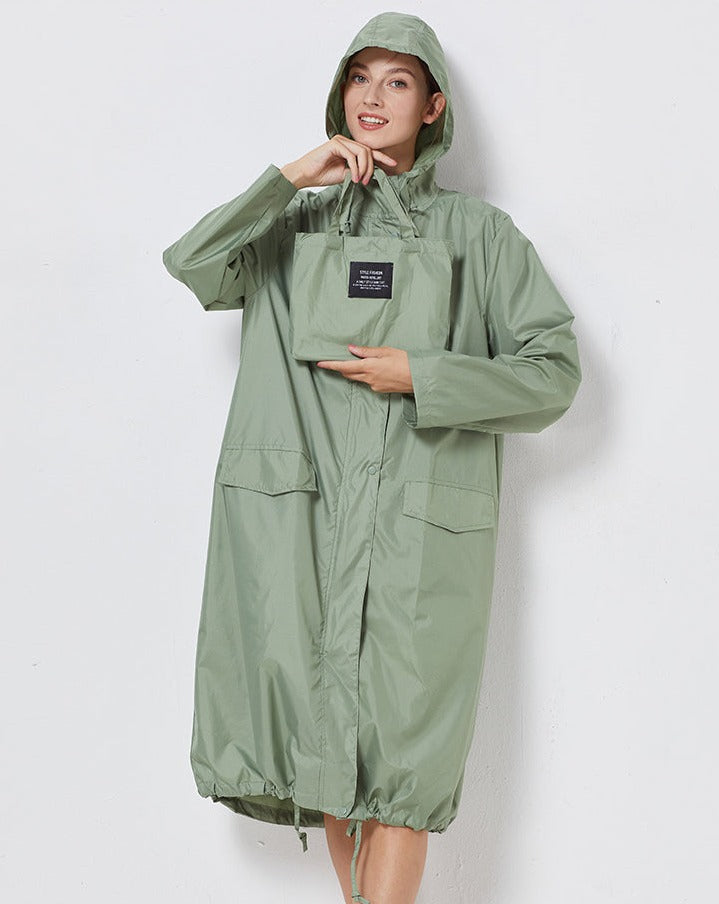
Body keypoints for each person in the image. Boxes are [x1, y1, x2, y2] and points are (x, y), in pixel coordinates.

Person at [162, 11, 581, 904]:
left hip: (418, 540)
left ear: (433, 106)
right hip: (298, 527)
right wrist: (289, 176)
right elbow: (194, 265)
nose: (374, 97)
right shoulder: (291, 227)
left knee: (403, 774)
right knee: (331, 762)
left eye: (398, 81)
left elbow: (553, 374)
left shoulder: (480, 237)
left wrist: (424, 375)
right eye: (360, 78)